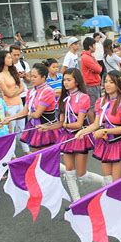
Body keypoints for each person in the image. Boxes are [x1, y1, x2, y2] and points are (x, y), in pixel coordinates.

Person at [42, 68, 95, 201]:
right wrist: (47, 127)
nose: (65, 82)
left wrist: (64, 125)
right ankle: (76, 200)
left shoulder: (84, 98)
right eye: (64, 80)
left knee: (81, 174)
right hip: (67, 137)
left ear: (76, 82)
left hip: (80, 136)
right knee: (69, 171)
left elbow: (78, 124)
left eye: (68, 80)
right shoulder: (63, 98)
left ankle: (107, 183)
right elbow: (60, 123)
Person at [76, 70, 121, 184]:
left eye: (111, 82)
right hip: (105, 144)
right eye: (105, 81)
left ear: (119, 84)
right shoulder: (101, 101)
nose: (107, 84)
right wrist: (82, 132)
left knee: (116, 182)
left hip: (119, 143)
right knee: (108, 180)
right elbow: (96, 124)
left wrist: (104, 130)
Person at [4, 63, 59, 151]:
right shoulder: (31, 92)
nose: (32, 79)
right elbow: (24, 112)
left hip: (47, 128)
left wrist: (28, 113)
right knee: (36, 158)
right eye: (31, 76)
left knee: (46, 158)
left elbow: (37, 114)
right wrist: (9, 118)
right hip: (36, 127)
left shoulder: (48, 92)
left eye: (35, 76)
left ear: (43, 77)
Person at [0, 50, 30, 155]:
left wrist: (15, 91)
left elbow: (22, 87)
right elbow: (8, 94)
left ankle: (27, 151)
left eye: (10, 57)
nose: (11, 59)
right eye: (8, 58)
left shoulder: (13, 71)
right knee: (11, 130)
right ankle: (11, 155)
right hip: (9, 106)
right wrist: (16, 91)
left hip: (19, 104)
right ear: (2, 60)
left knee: (22, 129)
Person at [81, 37, 103, 122]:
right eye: (94, 45)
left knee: (96, 106)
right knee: (92, 107)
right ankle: (93, 125)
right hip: (91, 85)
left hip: (95, 84)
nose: (95, 46)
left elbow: (98, 68)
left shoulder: (90, 56)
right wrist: (96, 68)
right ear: (90, 46)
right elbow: (99, 69)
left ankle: (96, 123)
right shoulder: (86, 57)